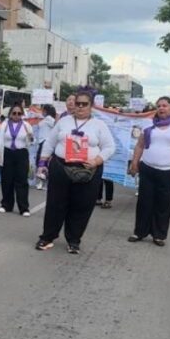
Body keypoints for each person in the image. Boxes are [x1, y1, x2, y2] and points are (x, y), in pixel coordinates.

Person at [35, 90, 116, 255]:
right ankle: (48, 237)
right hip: (61, 166)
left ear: (91, 106)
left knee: (82, 205)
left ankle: (74, 240)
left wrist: (96, 160)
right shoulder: (64, 121)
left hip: (87, 170)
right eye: (77, 103)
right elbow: (50, 142)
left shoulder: (99, 125)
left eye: (84, 104)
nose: (80, 107)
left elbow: (110, 147)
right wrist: (42, 162)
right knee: (55, 204)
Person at [128, 96, 170, 247]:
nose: (161, 108)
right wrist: (134, 163)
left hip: (168, 170)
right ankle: (140, 231)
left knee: (164, 203)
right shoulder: (149, 124)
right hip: (148, 168)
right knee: (144, 201)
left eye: (164, 105)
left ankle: (159, 234)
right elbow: (140, 145)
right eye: (159, 106)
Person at [0, 105, 35, 216]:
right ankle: (6, 204)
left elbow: (32, 141)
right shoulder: (4, 125)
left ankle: (24, 208)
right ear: (10, 114)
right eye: (14, 113)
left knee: (22, 180)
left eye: (19, 113)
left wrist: (30, 137)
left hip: (21, 153)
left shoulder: (26, 125)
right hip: (7, 152)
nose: (16, 115)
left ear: (22, 114)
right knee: (6, 180)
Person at [33, 104, 57, 191]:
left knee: (42, 162)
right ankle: (42, 182)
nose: (41, 112)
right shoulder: (45, 119)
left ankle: (41, 182)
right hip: (42, 142)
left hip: (45, 142)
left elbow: (55, 126)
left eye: (43, 110)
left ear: (45, 111)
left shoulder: (49, 119)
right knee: (42, 162)